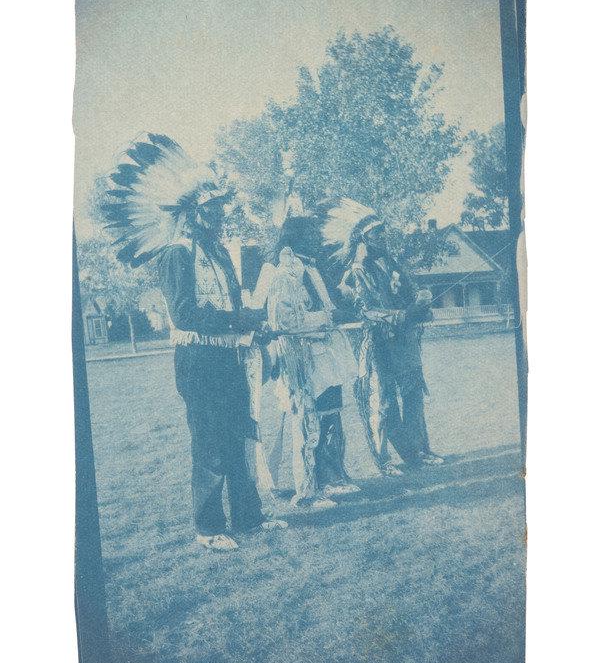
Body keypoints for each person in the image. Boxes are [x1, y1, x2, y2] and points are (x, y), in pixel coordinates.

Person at [103, 133, 286, 551]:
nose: (220, 216)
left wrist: (253, 328)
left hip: (229, 358)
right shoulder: (177, 254)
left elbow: (232, 303)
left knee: (239, 435)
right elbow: (185, 314)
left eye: (220, 209)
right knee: (210, 445)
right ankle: (207, 528)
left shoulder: (218, 253)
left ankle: (248, 518)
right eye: (212, 210)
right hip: (197, 361)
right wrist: (242, 318)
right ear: (193, 214)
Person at [321, 197, 443, 475]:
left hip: (404, 341)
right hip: (376, 344)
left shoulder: (393, 264)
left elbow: (410, 295)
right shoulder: (357, 272)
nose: (383, 237)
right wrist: (402, 315)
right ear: (363, 239)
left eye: (383, 231)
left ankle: (418, 451)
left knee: (413, 394)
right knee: (381, 400)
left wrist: (421, 305)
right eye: (377, 233)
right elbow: (366, 311)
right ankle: (384, 460)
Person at [265, 239, 360, 509]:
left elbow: (326, 309)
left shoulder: (313, 273)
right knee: (307, 423)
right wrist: (327, 319)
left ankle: (331, 479)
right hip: (301, 361)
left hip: (325, 357)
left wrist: (337, 312)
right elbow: (284, 323)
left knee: (330, 414)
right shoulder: (282, 277)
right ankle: (308, 490)